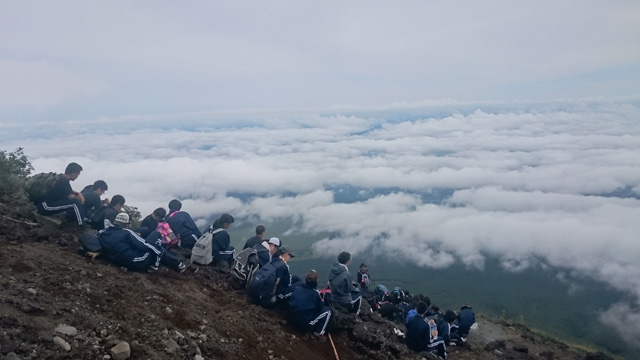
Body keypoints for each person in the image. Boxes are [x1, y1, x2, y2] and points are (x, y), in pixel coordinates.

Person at [97, 213, 187, 273]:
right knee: (156, 237)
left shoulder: (103, 232)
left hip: (117, 260)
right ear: (127, 224)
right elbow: (145, 246)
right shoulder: (127, 232)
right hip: (136, 262)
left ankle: (166, 263)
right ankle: (176, 264)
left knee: (155, 246)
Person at [288, 270, 332, 342]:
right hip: (304, 325)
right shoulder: (315, 294)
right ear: (316, 281)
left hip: (291, 319)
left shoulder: (297, 288)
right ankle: (318, 334)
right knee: (327, 310)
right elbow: (320, 306)